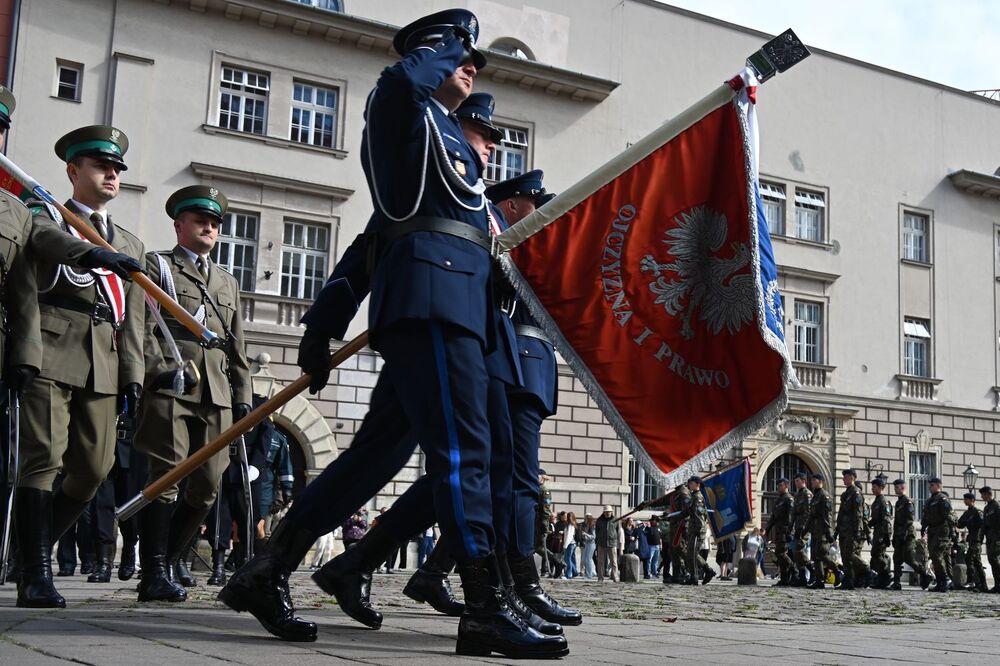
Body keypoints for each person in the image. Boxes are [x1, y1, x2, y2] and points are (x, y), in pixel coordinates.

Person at [219, 10, 566, 658]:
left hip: (459, 315)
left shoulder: (454, 152)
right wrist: (324, 324)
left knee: (375, 462)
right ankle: (484, 606)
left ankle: (269, 569)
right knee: (465, 452)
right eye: (459, 53)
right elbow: (374, 241)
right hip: (430, 309)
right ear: (427, 55)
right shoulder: (402, 113)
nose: (470, 63)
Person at [10, 124, 146, 608]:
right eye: (100, 166)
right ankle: (35, 573)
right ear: (73, 170)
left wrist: (133, 375)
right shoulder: (45, 214)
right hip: (52, 347)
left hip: (105, 361)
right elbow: (45, 247)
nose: (111, 174)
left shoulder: (129, 240)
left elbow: (133, 319)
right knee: (43, 459)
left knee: (94, 470)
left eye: (116, 169)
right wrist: (92, 252)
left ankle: (30, 547)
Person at [133, 184, 252, 603]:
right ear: (179, 225)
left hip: (216, 392)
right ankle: (152, 572)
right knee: (166, 477)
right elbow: (143, 327)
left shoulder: (227, 282)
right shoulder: (158, 266)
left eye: (214, 223)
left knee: (206, 486)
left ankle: (171, 559)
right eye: (200, 220)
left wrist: (243, 395)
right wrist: (153, 373)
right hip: (175, 383)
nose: (208, 228)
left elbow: (236, 344)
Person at [890, 479, 931, 590]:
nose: (895, 489)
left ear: (902, 488)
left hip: (907, 534)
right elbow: (897, 521)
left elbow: (909, 520)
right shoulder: (899, 502)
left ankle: (925, 574)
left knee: (909, 558)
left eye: (896, 487)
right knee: (897, 558)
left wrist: (904, 534)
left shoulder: (907, 501)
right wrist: (895, 536)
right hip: (899, 534)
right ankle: (896, 582)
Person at [835, 469, 870, 590]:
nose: (843, 479)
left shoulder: (856, 493)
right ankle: (848, 581)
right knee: (845, 557)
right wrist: (837, 530)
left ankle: (867, 570)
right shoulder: (846, 494)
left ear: (852, 478)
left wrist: (858, 530)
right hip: (844, 529)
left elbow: (858, 514)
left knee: (850, 554)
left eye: (846, 477)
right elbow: (841, 513)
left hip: (851, 529)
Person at [921, 477, 954, 593]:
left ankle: (945, 579)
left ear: (938, 486)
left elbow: (949, 516)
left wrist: (952, 531)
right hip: (932, 530)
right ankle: (940, 582)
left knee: (937, 554)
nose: (929, 487)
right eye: (929, 485)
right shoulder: (930, 500)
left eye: (932, 485)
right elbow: (925, 515)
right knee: (934, 555)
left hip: (941, 529)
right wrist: (923, 527)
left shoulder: (942, 499)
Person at [807, 473, 840, 589]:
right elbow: (811, 516)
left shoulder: (824, 496)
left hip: (822, 530)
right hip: (815, 530)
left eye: (814, 480)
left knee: (822, 554)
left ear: (820, 481)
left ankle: (837, 571)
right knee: (816, 556)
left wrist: (829, 534)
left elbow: (827, 517)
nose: (812, 482)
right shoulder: (815, 496)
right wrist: (806, 529)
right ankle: (819, 579)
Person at [680, 476, 713, 585]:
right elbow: (686, 512)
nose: (689, 485)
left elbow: (698, 515)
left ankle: (695, 577)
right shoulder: (693, 496)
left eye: (691, 483)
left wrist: (699, 531)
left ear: (697, 484)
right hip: (693, 529)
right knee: (690, 553)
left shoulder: (698, 497)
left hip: (698, 529)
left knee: (692, 553)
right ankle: (707, 571)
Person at [764, 477, 793, 585]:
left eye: (780, 485)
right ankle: (784, 579)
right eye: (778, 485)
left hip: (785, 531)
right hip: (778, 531)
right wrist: (767, 529)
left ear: (786, 486)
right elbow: (773, 517)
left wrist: (789, 531)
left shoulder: (788, 499)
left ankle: (793, 569)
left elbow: (790, 517)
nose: (778, 487)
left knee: (781, 553)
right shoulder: (778, 500)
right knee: (779, 555)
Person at [957, 492, 988, 592]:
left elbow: (981, 525)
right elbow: (960, 524)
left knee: (969, 558)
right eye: (964, 499)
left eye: (966, 499)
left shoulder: (977, 512)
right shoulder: (967, 513)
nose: (965, 501)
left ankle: (972, 581)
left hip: (976, 539)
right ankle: (982, 585)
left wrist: (969, 523)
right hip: (971, 539)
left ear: (972, 500)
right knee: (977, 562)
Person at [867, 476, 893, 589]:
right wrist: (868, 525)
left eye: (874, 487)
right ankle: (880, 578)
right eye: (872, 487)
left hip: (882, 532)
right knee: (875, 554)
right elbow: (875, 518)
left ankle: (886, 575)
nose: (872, 489)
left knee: (878, 555)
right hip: (877, 531)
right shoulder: (876, 501)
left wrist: (886, 536)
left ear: (881, 488)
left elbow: (886, 520)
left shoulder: (883, 502)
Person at [790, 472, 813, 587]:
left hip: (805, 528)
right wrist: (791, 526)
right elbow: (794, 513)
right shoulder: (797, 495)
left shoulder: (807, 494)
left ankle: (811, 568)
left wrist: (803, 527)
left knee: (798, 550)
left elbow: (808, 513)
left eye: (797, 481)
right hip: (797, 527)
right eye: (795, 481)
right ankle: (802, 576)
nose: (796, 483)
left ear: (803, 481)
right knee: (796, 553)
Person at [980, 486, 1000, 593]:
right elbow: (984, 525)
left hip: (997, 537)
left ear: (988, 494)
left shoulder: (997, 507)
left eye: (983, 494)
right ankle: (997, 585)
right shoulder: (987, 508)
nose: (981, 496)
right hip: (990, 537)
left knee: (995, 560)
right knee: (992, 560)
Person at [595, 506, 620, 582]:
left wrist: (615, 539)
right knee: (600, 562)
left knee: (614, 562)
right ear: (604, 512)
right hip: (601, 543)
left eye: (609, 512)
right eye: (606, 512)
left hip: (612, 543)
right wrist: (598, 539)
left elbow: (618, 531)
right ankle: (600, 577)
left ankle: (615, 576)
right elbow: (597, 531)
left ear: (611, 512)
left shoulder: (615, 520)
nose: (608, 513)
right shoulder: (599, 520)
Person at [536, 471, 553, 576]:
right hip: (535, 522)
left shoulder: (544, 491)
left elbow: (546, 510)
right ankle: (558, 562)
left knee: (538, 547)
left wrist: (544, 524)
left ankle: (558, 562)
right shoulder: (536, 489)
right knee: (536, 547)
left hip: (540, 523)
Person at [580, 514, 597, 579]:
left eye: (586, 519)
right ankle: (590, 572)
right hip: (587, 543)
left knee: (588, 559)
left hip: (591, 544)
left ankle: (589, 575)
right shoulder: (587, 526)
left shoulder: (592, 526)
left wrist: (585, 534)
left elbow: (593, 537)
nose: (585, 520)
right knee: (584, 559)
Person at [562, 512, 578, 579]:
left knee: (567, 559)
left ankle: (568, 575)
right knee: (570, 559)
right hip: (572, 544)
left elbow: (569, 536)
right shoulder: (571, 525)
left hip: (570, 544)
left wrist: (565, 545)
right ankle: (575, 572)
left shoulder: (570, 525)